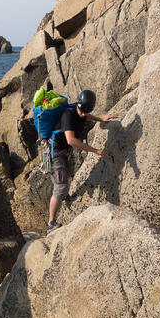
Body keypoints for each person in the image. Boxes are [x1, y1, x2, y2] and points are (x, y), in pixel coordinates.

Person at [47, 89, 118, 232]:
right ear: (77, 105)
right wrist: (95, 150)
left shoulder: (81, 111)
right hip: (54, 151)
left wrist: (101, 119)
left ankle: (62, 197)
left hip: (64, 151)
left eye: (86, 111)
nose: (83, 114)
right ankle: (51, 223)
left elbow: (86, 116)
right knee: (60, 186)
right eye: (82, 110)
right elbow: (71, 140)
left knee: (66, 179)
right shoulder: (68, 115)